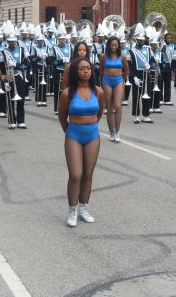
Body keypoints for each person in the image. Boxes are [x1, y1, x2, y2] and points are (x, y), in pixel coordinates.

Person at [58, 57, 105, 227]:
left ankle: (84, 208)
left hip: (92, 135)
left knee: (88, 174)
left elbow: (99, 113)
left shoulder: (98, 92)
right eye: (82, 69)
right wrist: (70, 132)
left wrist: (90, 126)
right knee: (76, 174)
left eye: (88, 68)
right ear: (75, 72)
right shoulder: (67, 93)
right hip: (73, 136)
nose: (86, 71)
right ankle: (72, 210)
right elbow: (62, 116)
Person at [99, 36, 129, 143]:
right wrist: (105, 79)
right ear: (108, 45)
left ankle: (117, 131)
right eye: (112, 45)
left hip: (118, 81)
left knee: (118, 105)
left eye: (116, 45)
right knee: (110, 108)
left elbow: (126, 71)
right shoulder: (103, 56)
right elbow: (101, 70)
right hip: (107, 81)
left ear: (118, 46)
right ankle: (111, 131)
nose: (114, 47)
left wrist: (121, 80)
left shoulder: (122, 57)